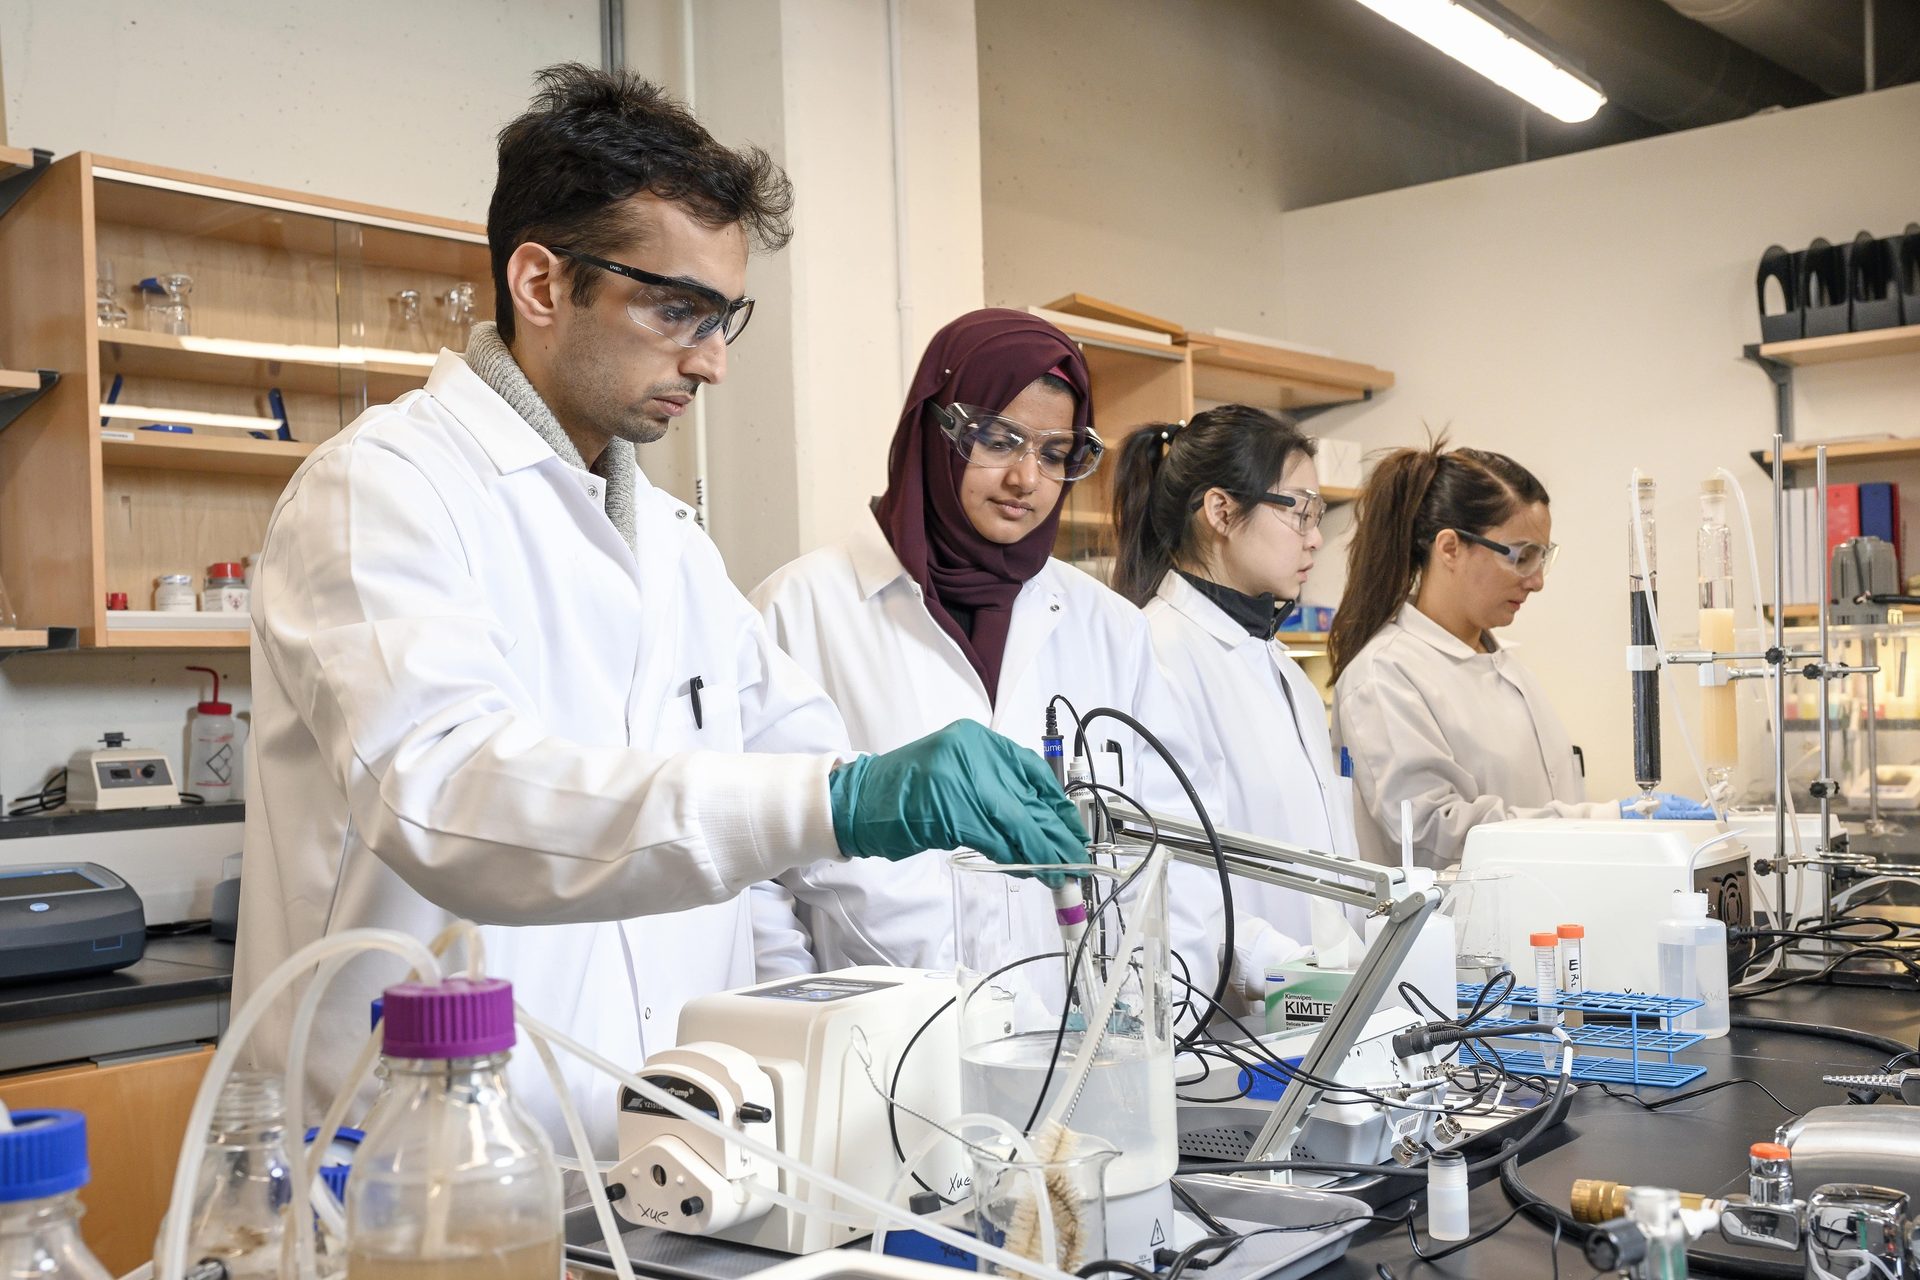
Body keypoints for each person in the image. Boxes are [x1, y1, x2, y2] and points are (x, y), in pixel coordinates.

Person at [235, 67, 1084, 1146]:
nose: (713, 360)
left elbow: (798, 774)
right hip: (418, 1176)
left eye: (724, 314)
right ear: (541, 284)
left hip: (666, 1162)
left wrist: (992, 1048)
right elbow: (451, 797)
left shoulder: (673, 546)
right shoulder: (382, 490)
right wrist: (847, 796)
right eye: (676, 308)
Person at [751, 309, 1250, 1007]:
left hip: (1077, 1049)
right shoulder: (798, 611)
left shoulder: (1107, 627)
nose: (1026, 479)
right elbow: (754, 871)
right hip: (875, 1052)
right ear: (936, 428)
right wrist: (804, 1024)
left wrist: (1153, 1015)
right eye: (998, 439)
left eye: (1054, 453)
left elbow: (1175, 847)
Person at [1328, 438, 1711, 869]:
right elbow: (1429, 832)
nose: (1536, 581)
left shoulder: (1505, 666)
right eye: (1522, 557)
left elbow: (1548, 810)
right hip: (1455, 929)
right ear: (1450, 548)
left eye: (1542, 557)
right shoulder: (1385, 675)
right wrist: (1603, 819)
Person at [1109, 405, 1356, 971]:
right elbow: (1171, 882)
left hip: (1326, 1006)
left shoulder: (1277, 663)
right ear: (1221, 510)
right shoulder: (1156, 653)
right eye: (1301, 512)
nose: (1316, 539)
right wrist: (1296, 972)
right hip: (1242, 1023)